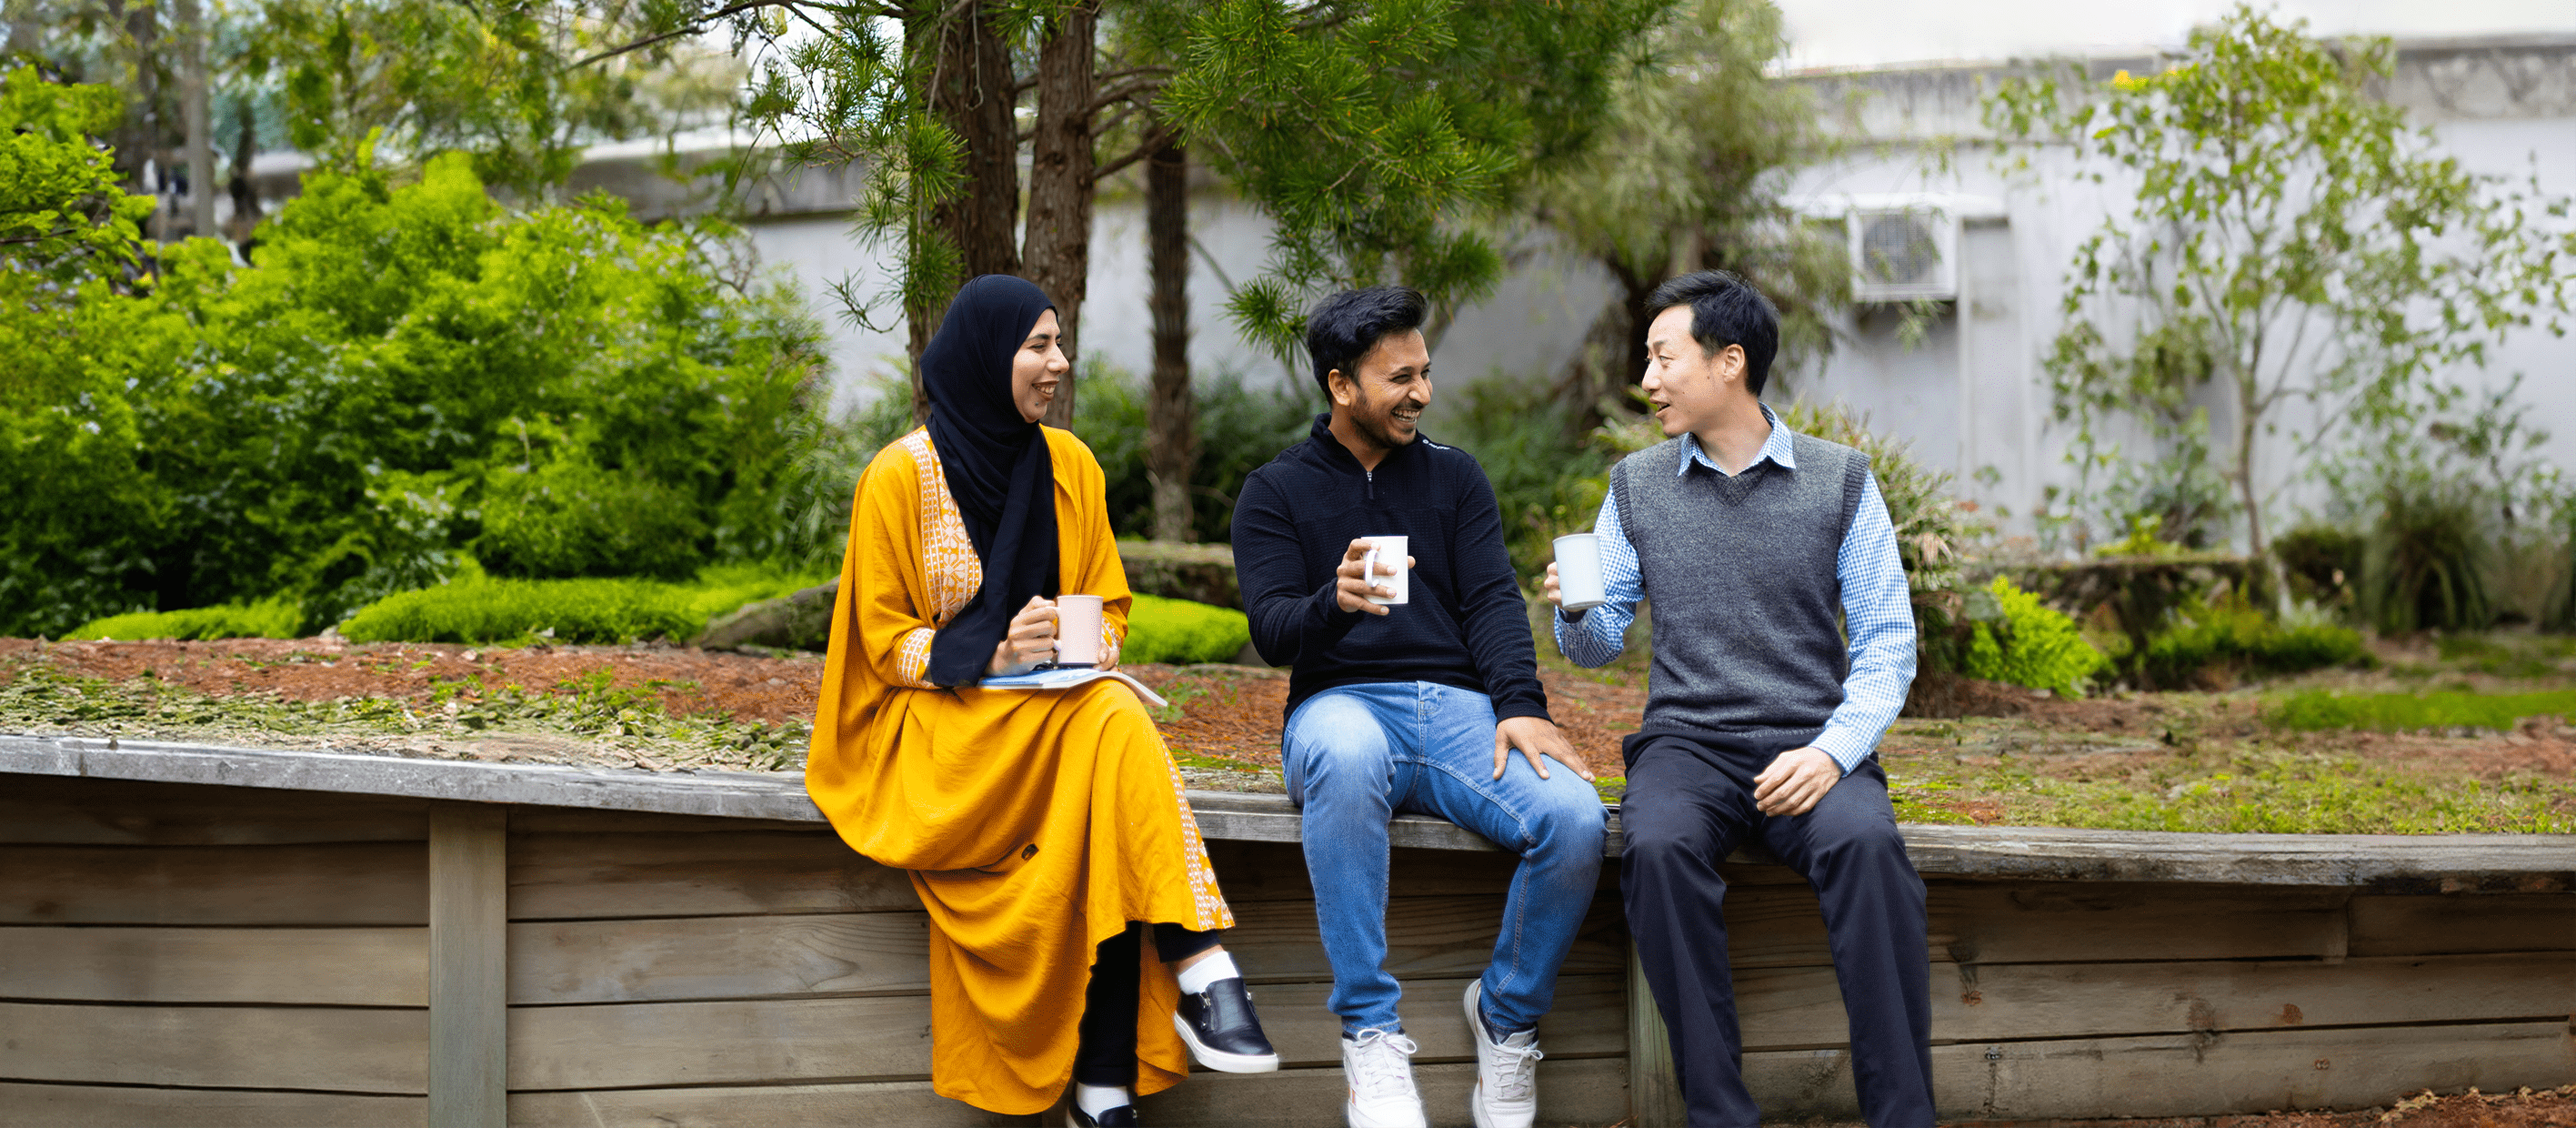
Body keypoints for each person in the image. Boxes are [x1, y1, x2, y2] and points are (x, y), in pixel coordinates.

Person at [809, 275, 1282, 1126]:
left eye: (1059, 343)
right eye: (1038, 345)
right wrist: (991, 649)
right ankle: (1196, 977)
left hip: (1054, 717)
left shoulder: (1072, 466)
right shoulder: (898, 478)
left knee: (1105, 729)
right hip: (942, 729)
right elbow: (885, 647)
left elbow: (1107, 608)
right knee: (1108, 726)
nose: (1058, 363)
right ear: (989, 357)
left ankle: (1110, 1081)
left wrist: (1079, 648)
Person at [1546, 270, 1933, 1128]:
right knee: (1656, 848)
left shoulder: (1839, 481)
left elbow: (1887, 646)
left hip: (1810, 740)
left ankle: (1905, 1116)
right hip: (1687, 744)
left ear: (1730, 362)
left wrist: (1832, 751)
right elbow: (1599, 640)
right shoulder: (1636, 486)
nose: (1646, 380)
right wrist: (1576, 610)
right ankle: (1720, 1116)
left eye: (1661, 357)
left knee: (1870, 852)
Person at [1233, 287, 1607, 1128]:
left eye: (1426, 372)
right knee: (1350, 755)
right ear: (1341, 385)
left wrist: (1520, 704)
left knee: (1576, 819)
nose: (1422, 393)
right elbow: (1271, 633)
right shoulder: (1275, 491)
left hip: (1460, 711)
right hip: (1338, 707)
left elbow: (1492, 605)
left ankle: (1505, 1018)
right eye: (1400, 377)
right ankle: (1369, 1033)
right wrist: (1333, 601)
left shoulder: (1454, 477)